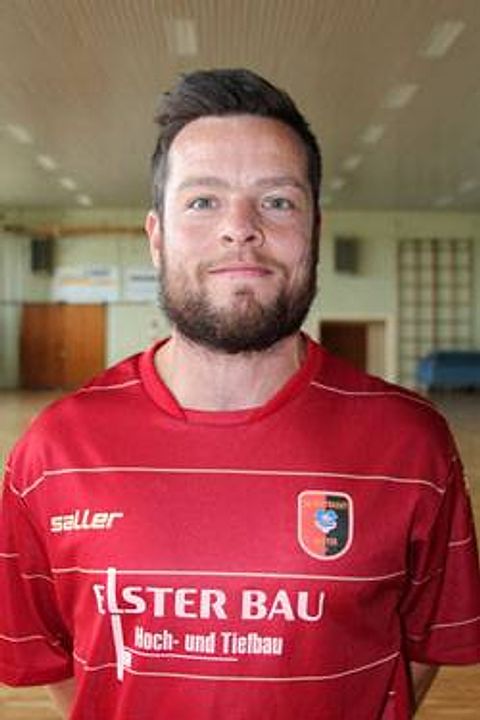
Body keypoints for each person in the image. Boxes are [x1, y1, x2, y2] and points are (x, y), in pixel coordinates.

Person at [0, 68, 479, 720]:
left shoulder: (411, 444)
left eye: (277, 201)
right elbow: (58, 660)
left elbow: (420, 648)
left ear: (314, 229)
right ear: (156, 236)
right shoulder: (53, 452)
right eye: (203, 201)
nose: (240, 228)